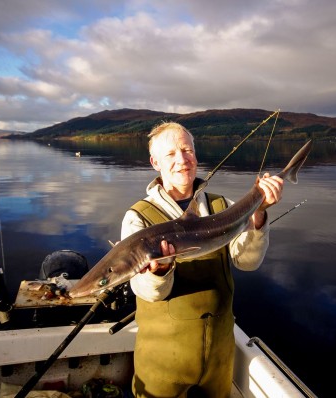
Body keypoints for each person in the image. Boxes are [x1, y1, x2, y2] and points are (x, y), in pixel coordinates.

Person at [121, 122, 284, 397]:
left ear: (196, 155)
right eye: (171, 154)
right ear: (155, 162)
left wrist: (258, 218)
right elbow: (146, 292)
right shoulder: (139, 217)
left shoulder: (223, 206)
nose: (182, 160)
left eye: (187, 150)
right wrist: (158, 272)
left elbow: (247, 262)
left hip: (220, 357)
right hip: (163, 359)